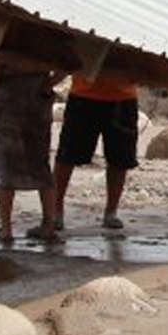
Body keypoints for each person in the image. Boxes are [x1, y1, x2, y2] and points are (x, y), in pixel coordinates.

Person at [0, 54, 62, 244]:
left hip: (8, 99)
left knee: (5, 164)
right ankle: (48, 225)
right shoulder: (49, 40)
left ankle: (6, 229)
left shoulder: (7, 38)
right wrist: (48, 83)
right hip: (38, 99)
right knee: (41, 163)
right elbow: (70, 64)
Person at [54, 71, 142, 232]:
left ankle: (111, 212)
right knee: (67, 155)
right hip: (83, 95)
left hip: (122, 98)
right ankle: (55, 211)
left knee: (120, 159)